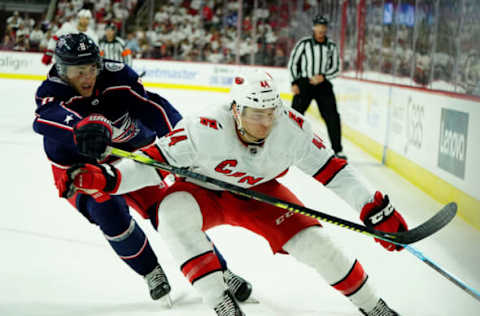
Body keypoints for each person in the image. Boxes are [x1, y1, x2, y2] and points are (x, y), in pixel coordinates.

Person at [64, 69, 406, 316]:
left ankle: (374, 307)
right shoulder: (203, 128)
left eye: (270, 114)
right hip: (204, 192)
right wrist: (109, 180)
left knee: (319, 248)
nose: (265, 125)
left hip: (262, 195)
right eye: (256, 115)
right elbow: (150, 164)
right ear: (236, 111)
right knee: (171, 215)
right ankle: (222, 304)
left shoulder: (292, 128)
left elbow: (335, 172)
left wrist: (375, 210)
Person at [33, 33, 252, 303]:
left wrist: (184, 146)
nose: (88, 77)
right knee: (109, 213)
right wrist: (79, 127)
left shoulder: (118, 76)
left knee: (169, 210)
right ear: (64, 71)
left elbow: (154, 108)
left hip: (130, 158)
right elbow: (44, 117)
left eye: (91, 67)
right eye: (79, 71)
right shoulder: (51, 89)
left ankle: (219, 272)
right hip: (79, 168)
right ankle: (151, 272)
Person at [287, 14, 346, 160]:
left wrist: (323, 77)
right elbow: (293, 63)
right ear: (314, 28)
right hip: (304, 83)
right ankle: (288, 147)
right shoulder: (304, 43)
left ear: (326, 29)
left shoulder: (331, 46)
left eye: (323, 27)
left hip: (323, 85)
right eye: (318, 27)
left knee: (332, 116)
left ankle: (337, 150)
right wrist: (294, 82)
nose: (321, 30)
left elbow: (337, 68)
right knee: (295, 116)